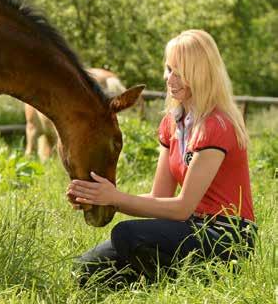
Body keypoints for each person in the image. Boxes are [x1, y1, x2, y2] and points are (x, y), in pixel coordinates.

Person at [67, 29, 257, 285]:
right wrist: (97, 197)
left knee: (126, 235)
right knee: (84, 271)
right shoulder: (172, 123)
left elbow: (181, 208)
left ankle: (180, 285)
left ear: (201, 74)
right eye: (169, 69)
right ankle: (165, 279)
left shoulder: (216, 125)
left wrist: (115, 198)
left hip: (225, 235)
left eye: (180, 72)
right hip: (188, 228)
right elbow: (161, 198)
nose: (170, 79)